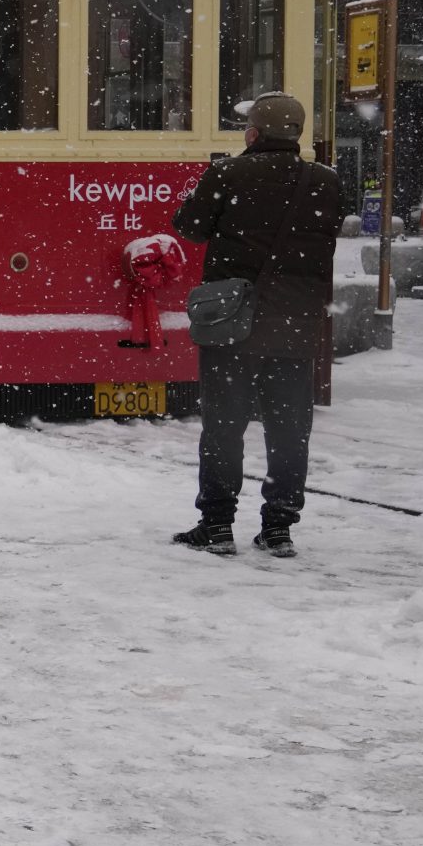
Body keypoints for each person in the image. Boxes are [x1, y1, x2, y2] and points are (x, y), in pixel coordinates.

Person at [168, 91, 352, 558]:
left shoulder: (228, 173)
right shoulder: (326, 181)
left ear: (253, 133)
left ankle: (216, 524)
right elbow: (327, 237)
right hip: (296, 323)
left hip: (234, 320)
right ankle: (279, 528)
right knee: (290, 430)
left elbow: (188, 227)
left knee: (224, 427)